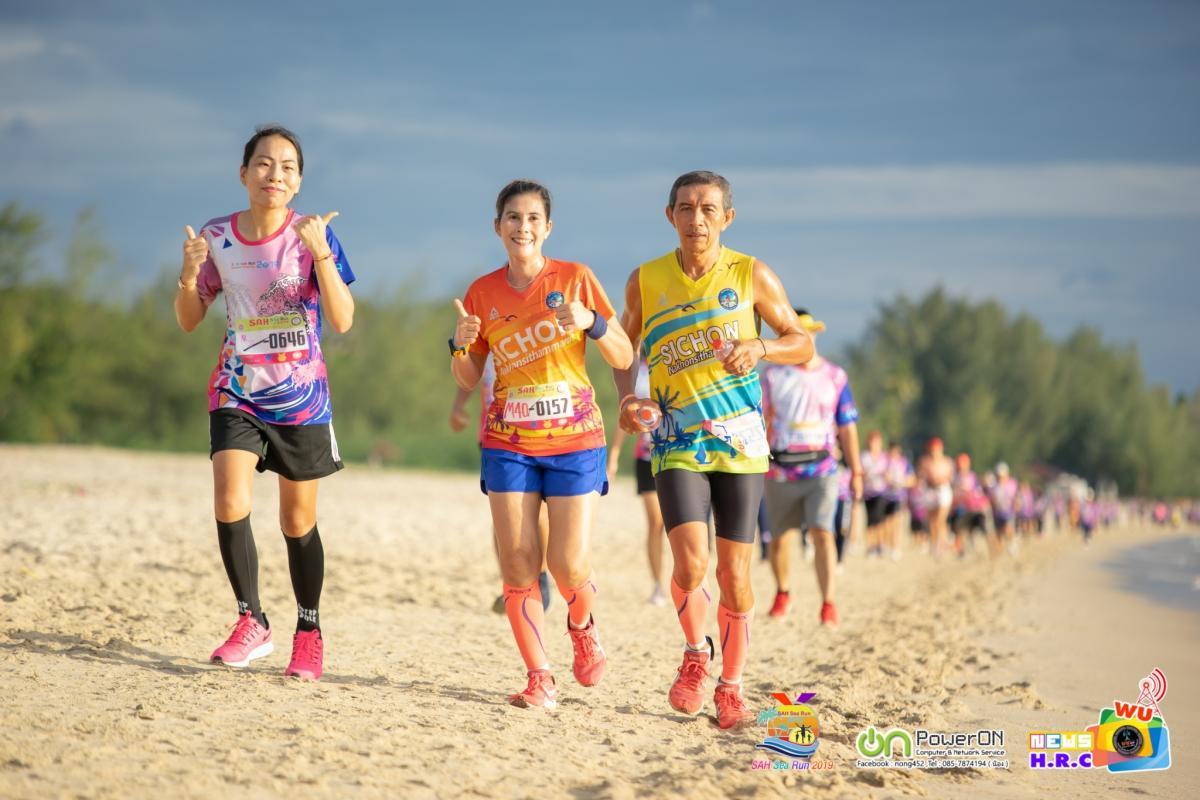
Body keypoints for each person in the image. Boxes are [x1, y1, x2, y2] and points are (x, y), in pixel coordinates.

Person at [613, 171, 813, 729]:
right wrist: (628, 398)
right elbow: (623, 349)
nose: (696, 219)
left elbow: (802, 342)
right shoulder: (646, 280)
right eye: (685, 208)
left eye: (707, 209)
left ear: (727, 217)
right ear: (670, 216)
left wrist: (762, 346)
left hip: (741, 444)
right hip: (676, 439)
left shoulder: (752, 274)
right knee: (691, 563)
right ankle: (696, 655)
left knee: (735, 576)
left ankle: (732, 686)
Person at [174, 125, 354, 681]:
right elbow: (189, 319)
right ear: (244, 173)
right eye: (263, 164)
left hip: (302, 398)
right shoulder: (216, 236)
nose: (274, 174)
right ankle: (251, 619)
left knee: (297, 520)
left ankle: (308, 632)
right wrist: (188, 275)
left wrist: (321, 253)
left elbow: (343, 319)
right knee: (230, 499)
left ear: (298, 182)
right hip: (237, 389)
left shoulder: (313, 235)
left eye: (287, 167)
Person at [450, 179, 633, 709]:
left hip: (575, 438)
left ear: (547, 228)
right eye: (513, 217)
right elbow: (468, 378)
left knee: (568, 564)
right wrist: (459, 346)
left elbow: (624, 356)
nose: (522, 227)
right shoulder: (482, 292)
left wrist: (592, 322)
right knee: (518, 561)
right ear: (497, 226)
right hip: (508, 441)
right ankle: (540, 677)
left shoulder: (575, 278)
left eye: (533, 218)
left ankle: (583, 624)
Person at [759, 308, 863, 625]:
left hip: (822, 467)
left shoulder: (835, 376)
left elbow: (847, 427)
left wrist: (857, 471)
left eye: (808, 334)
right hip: (780, 469)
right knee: (780, 538)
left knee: (823, 532)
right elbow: (761, 420)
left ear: (815, 335)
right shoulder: (773, 377)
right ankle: (783, 592)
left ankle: (828, 603)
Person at [449, 357, 552, 614]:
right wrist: (458, 405)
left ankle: (540, 577)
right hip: (493, 431)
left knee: (538, 510)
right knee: (504, 514)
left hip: (533, 427)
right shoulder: (482, 334)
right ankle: (511, 581)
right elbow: (470, 368)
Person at [606, 358, 669, 606]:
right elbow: (627, 416)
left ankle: (688, 582)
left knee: (680, 525)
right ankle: (658, 585)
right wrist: (614, 456)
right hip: (646, 456)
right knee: (656, 523)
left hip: (680, 454)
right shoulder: (639, 373)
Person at [917, 437, 954, 557]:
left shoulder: (947, 461)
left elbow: (950, 476)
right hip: (930, 491)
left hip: (942, 490)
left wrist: (940, 480)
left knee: (940, 519)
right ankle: (934, 544)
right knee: (932, 520)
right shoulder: (925, 462)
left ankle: (941, 543)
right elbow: (921, 476)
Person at [859, 431, 890, 557]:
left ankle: (880, 543)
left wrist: (886, 476)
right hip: (868, 492)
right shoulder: (864, 456)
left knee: (880, 519)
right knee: (870, 520)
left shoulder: (884, 457)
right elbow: (860, 473)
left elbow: (889, 474)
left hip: (881, 491)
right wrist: (865, 474)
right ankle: (871, 546)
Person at [988, 462, 1019, 556]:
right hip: (997, 513)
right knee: (999, 534)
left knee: (1008, 529)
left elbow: (1015, 498)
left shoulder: (1012, 484)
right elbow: (991, 500)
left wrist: (1016, 505)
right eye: (999, 476)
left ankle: (1012, 544)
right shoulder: (993, 486)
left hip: (1008, 512)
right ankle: (998, 552)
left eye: (1002, 476)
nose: (1000, 478)